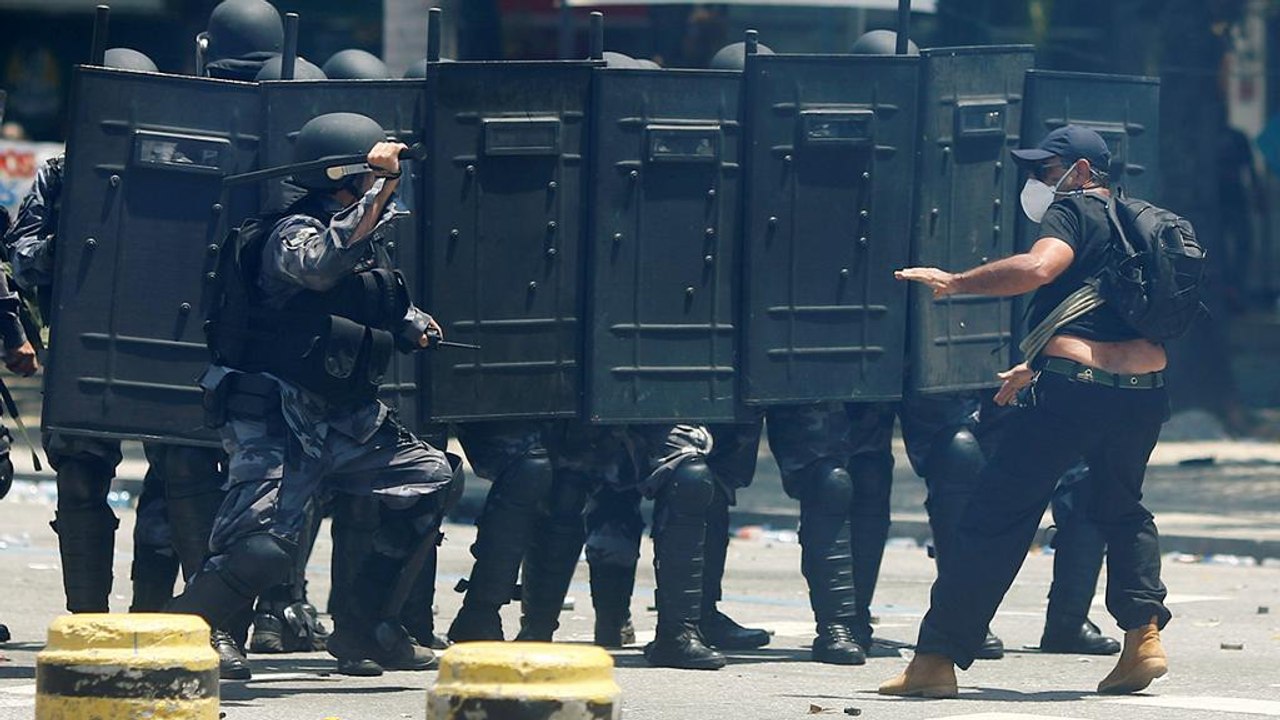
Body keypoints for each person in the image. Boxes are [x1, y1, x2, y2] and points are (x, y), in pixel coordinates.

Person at [882, 124, 1172, 697]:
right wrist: (1035, 365)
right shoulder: (1144, 222)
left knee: (996, 513)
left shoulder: (1074, 210)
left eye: (1045, 170)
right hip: (1143, 391)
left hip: (1074, 392)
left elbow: (1039, 269)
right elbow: (1113, 311)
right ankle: (1144, 637)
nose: (1037, 181)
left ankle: (936, 659)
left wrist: (957, 281)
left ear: (1082, 171)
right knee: (1121, 506)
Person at [169, 112, 454, 678]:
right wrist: (381, 188)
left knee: (431, 479)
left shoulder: (363, 231)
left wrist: (412, 323)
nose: (382, 183)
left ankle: (365, 626)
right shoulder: (291, 232)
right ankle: (194, 636)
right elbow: (322, 266)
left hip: (342, 415)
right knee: (260, 546)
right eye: (371, 172)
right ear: (342, 175)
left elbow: (365, 294)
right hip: (276, 416)